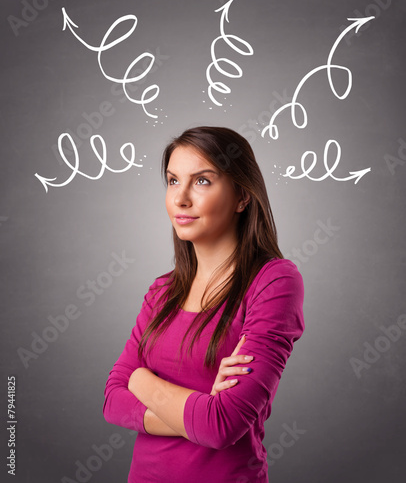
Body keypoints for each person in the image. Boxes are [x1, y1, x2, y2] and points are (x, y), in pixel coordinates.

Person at [103, 126, 305, 482]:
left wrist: (141, 380)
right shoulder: (161, 291)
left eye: (202, 181)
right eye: (172, 180)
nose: (180, 198)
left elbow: (221, 426)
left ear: (242, 196)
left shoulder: (274, 282)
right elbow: (113, 401)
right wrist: (198, 409)